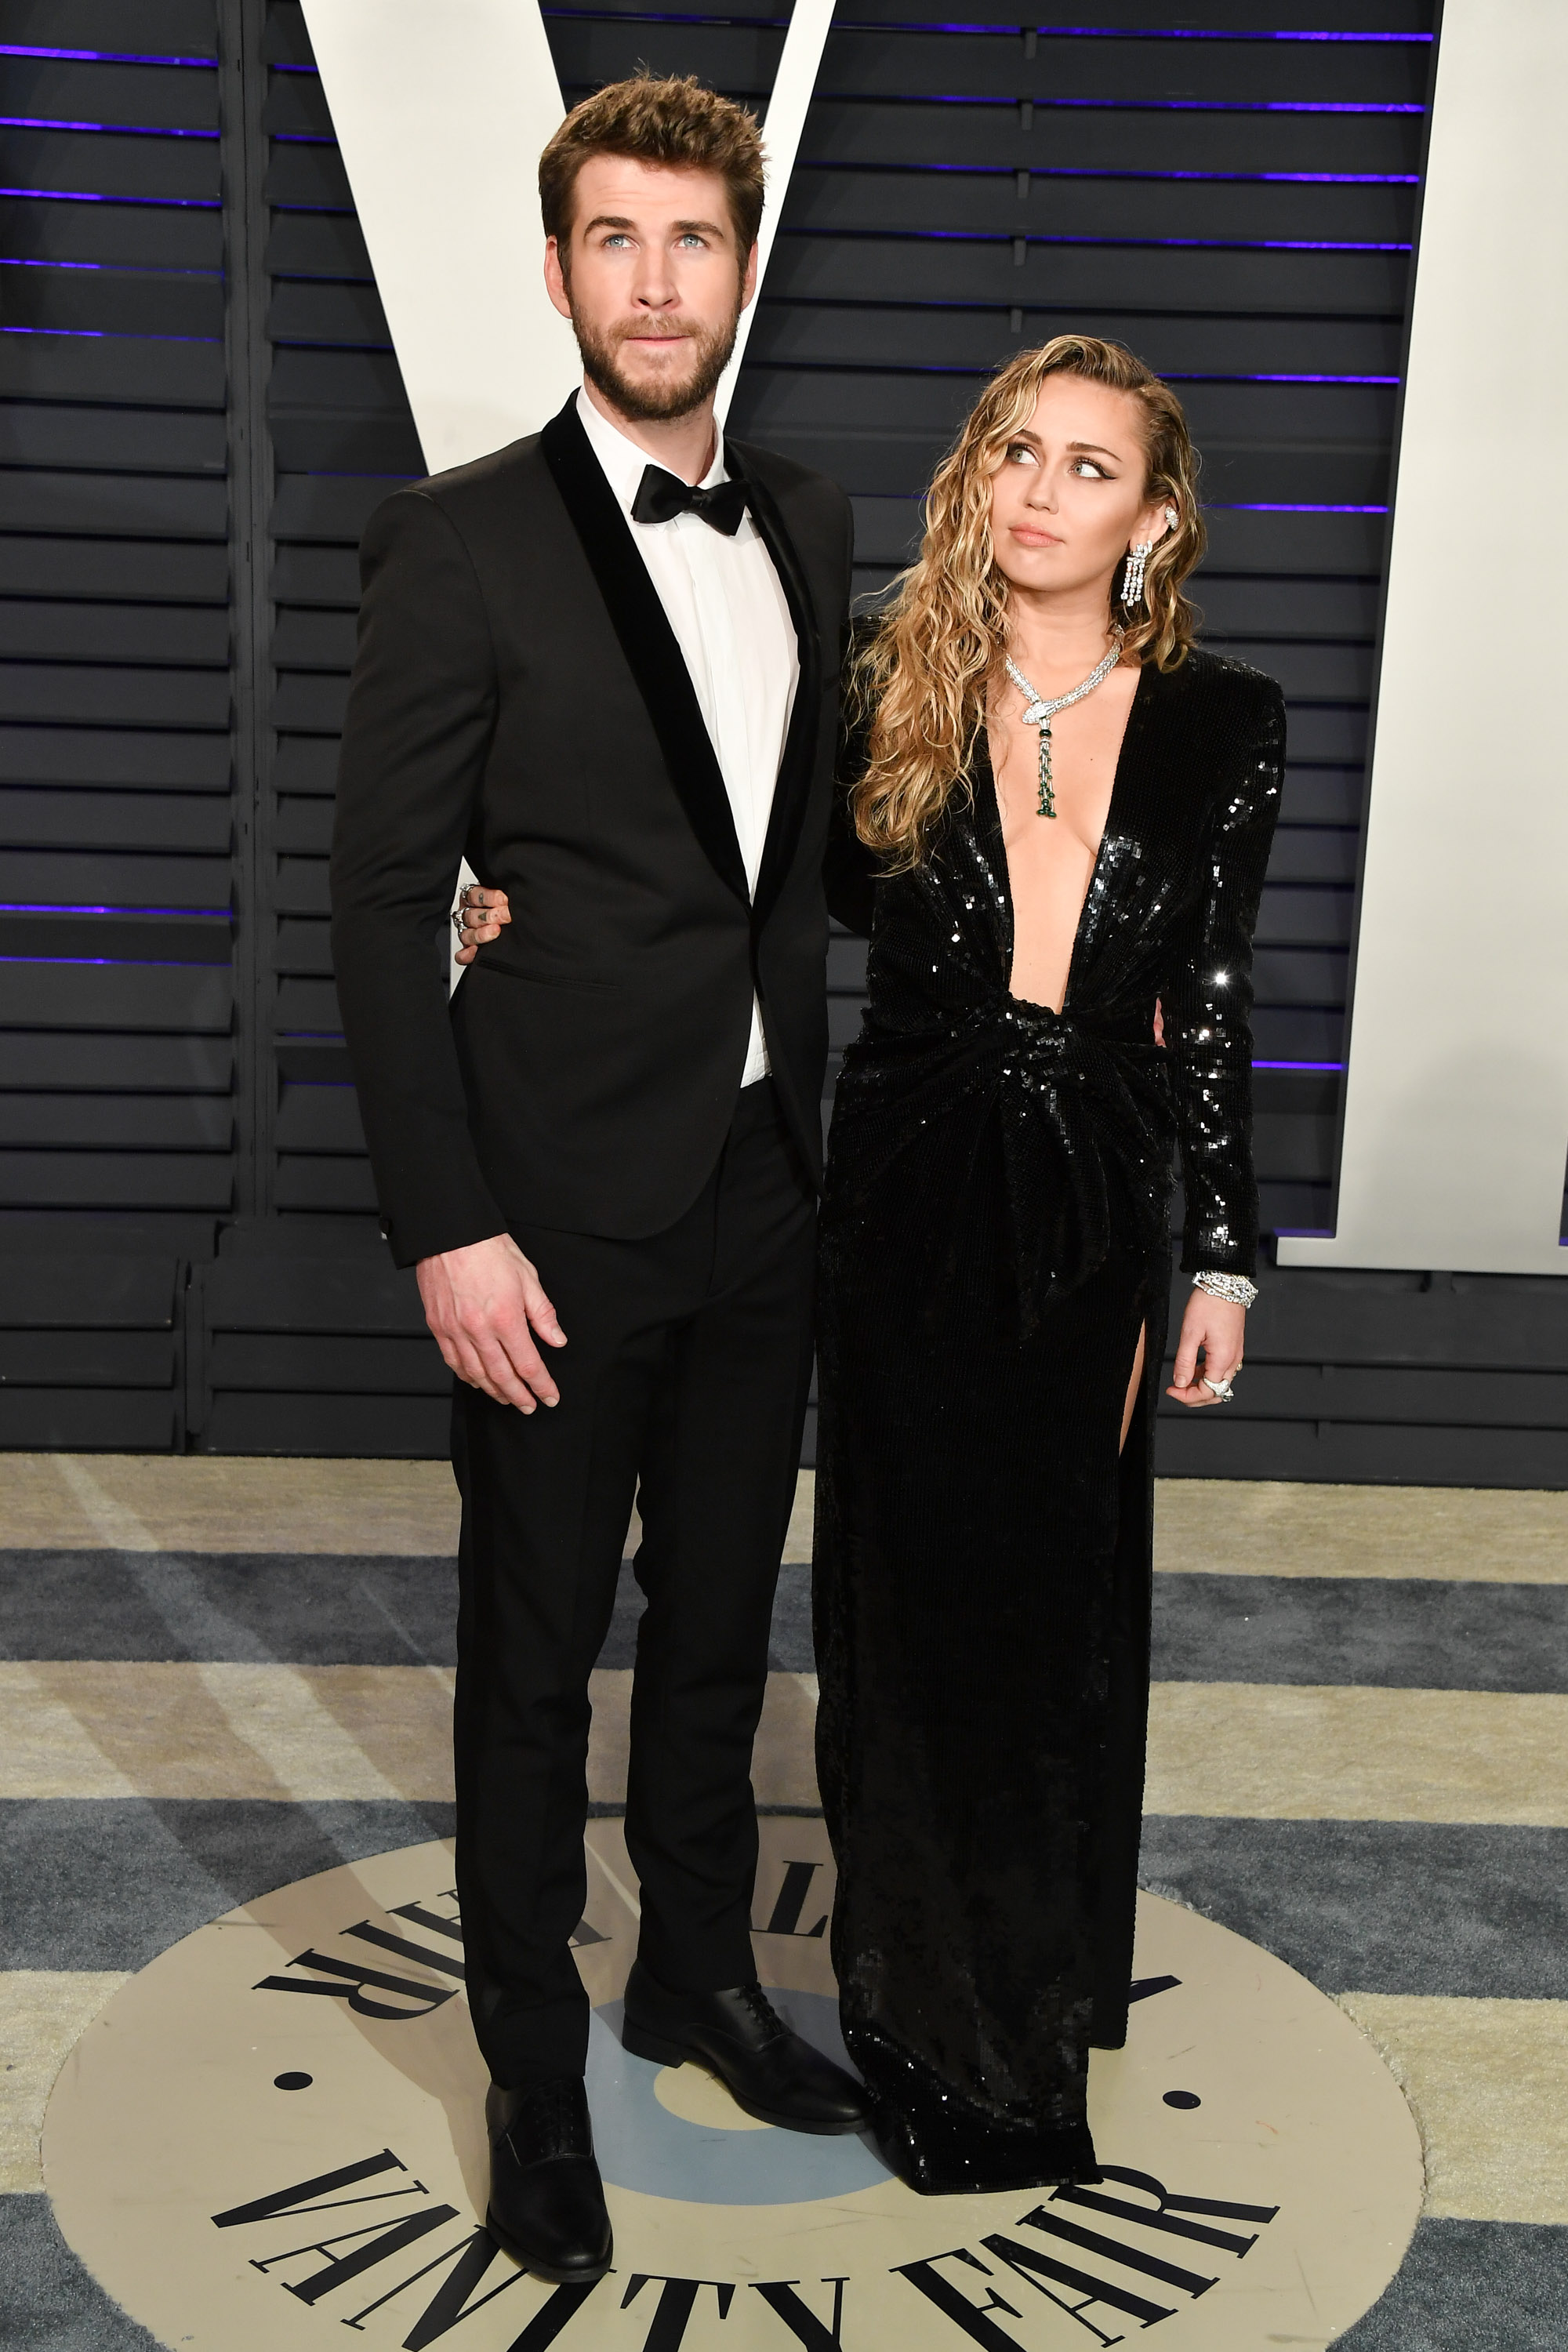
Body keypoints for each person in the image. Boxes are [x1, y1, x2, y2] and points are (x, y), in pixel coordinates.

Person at [329, 75, 866, 2288]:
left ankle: (699, 1978)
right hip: (546, 1206)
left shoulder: (817, 523)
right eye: (616, 242)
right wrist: (450, 1224)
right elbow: (377, 908)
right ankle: (534, 2072)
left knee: (725, 1634)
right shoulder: (454, 541)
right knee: (533, 1661)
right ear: (560, 273)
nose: (659, 283)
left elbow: (812, 869)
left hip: (766, 1182)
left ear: (744, 268)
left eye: (696, 241)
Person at [810, 334, 1283, 2193]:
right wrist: (503, 888)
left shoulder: (1221, 720)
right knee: (904, 1610)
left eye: (1090, 467)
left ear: (1152, 519)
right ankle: (917, 2008)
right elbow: (764, 894)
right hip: (909, 1172)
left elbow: (1213, 1003)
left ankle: (1022, 2015)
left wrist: (1222, 1259)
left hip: (1097, 1185)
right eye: (1016, 450)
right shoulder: (887, 676)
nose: (1039, 489)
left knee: (1046, 1617)